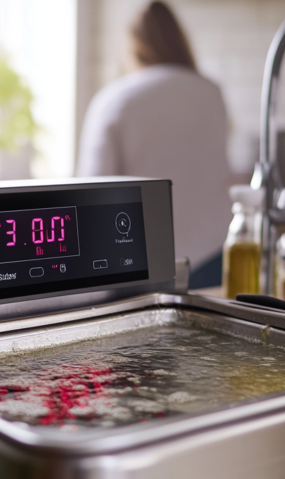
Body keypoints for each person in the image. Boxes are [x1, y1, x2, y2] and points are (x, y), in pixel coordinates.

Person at [77, 1, 232, 288]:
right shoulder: (211, 93)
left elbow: (89, 190)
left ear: (133, 47)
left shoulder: (116, 99)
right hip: (213, 250)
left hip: (143, 259)